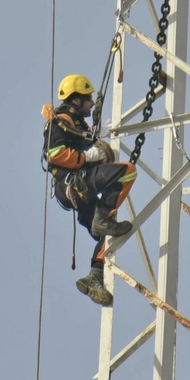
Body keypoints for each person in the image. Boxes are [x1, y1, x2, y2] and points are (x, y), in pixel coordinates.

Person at [43, 74, 137, 307]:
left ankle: (94, 276)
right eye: (88, 99)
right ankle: (102, 219)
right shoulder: (60, 122)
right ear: (76, 100)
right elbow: (54, 154)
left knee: (108, 234)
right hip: (74, 184)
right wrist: (87, 156)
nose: (92, 103)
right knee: (127, 171)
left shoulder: (77, 126)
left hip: (78, 189)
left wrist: (95, 149)